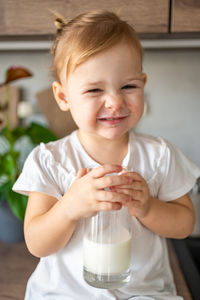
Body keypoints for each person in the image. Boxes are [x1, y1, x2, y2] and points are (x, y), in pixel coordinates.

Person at [13, 10, 200, 300]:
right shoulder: (50, 160)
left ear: (143, 83)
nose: (115, 101)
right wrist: (69, 207)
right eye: (94, 89)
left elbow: (184, 224)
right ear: (63, 97)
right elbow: (37, 243)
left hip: (142, 293)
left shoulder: (160, 155)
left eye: (128, 86)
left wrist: (148, 207)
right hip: (64, 294)